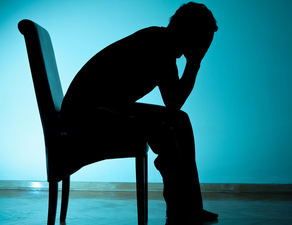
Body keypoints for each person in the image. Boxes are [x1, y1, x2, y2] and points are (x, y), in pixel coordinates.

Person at [60, 2, 218, 225]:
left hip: (96, 109)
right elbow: (174, 102)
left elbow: (174, 105)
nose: (205, 46)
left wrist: (194, 61)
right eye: (204, 40)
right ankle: (182, 212)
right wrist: (195, 62)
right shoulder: (159, 44)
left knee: (178, 121)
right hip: (87, 115)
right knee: (167, 128)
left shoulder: (160, 41)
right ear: (189, 30)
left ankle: (188, 208)